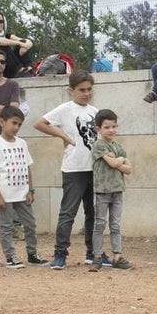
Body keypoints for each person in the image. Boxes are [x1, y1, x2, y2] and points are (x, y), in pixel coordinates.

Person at [33, 70, 99, 269]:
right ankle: (60, 253)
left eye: (89, 89)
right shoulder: (65, 109)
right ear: (72, 91)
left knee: (93, 212)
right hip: (74, 168)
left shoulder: (95, 112)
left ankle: (92, 251)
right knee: (68, 212)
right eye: (81, 90)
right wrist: (62, 136)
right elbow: (40, 123)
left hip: (94, 168)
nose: (86, 93)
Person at [0, 105, 41, 269]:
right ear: (2, 122)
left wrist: (31, 190)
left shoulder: (22, 143)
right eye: (14, 123)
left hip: (23, 194)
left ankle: (32, 254)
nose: (16, 127)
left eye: (19, 124)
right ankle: (10, 256)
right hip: (5, 194)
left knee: (30, 224)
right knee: (7, 227)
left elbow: (27, 167)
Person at [89, 108, 133, 271]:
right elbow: (115, 164)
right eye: (107, 127)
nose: (111, 130)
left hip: (117, 190)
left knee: (115, 224)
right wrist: (120, 162)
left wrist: (118, 160)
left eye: (114, 126)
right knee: (100, 223)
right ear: (98, 129)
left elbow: (128, 169)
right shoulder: (98, 145)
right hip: (102, 191)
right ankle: (97, 256)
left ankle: (117, 256)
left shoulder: (118, 147)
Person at [0, 11, 33, 79]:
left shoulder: (6, 35)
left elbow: (27, 41)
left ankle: (28, 69)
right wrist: (18, 43)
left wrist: (25, 45)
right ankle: (20, 70)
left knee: (22, 43)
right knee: (1, 47)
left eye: (1, 21)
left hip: (7, 67)